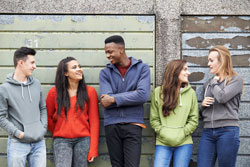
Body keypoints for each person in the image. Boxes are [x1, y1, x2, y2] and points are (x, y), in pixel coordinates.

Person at [99, 35, 151, 167]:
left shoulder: (142, 69)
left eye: (110, 51)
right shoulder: (105, 73)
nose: (107, 55)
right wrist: (132, 94)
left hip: (133, 125)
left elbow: (142, 95)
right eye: (106, 52)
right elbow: (105, 101)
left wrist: (114, 98)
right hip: (112, 125)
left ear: (121, 49)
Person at [46, 57, 99, 167]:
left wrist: (93, 149)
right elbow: (48, 118)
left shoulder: (90, 92)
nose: (79, 69)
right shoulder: (54, 93)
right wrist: (60, 130)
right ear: (66, 73)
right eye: (74, 67)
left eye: (79, 66)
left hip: (83, 140)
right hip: (62, 141)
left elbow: (94, 121)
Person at [0, 47, 47, 167]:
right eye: (32, 62)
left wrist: (43, 128)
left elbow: (43, 108)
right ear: (20, 63)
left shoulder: (36, 84)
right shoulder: (5, 89)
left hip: (39, 142)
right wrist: (17, 133)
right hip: (18, 143)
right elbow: (1, 117)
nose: (34, 66)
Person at [197, 45, 243, 167]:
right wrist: (202, 106)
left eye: (211, 60)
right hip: (208, 132)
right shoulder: (207, 84)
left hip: (227, 131)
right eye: (208, 60)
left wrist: (214, 83)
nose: (208, 64)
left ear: (222, 61)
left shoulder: (235, 80)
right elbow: (202, 113)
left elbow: (222, 98)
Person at [150, 59, 199, 167]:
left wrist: (183, 133)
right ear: (175, 71)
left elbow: (194, 119)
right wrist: (163, 132)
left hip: (184, 143)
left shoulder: (191, 93)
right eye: (185, 69)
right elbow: (154, 119)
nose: (189, 73)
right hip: (163, 142)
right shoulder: (158, 92)